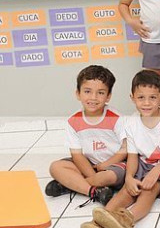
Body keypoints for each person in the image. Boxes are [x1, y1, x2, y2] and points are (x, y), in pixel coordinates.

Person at [80, 70, 160, 228]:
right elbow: (133, 156)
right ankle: (98, 224)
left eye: (152, 97)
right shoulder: (131, 123)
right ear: (132, 98)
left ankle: (127, 219)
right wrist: (128, 177)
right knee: (127, 190)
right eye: (141, 97)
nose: (146, 103)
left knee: (147, 192)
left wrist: (156, 172)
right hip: (141, 164)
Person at [46, 65, 125, 206]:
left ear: (108, 96)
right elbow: (77, 156)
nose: (93, 98)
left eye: (100, 93)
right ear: (78, 93)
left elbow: (126, 149)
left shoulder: (117, 118)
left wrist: (106, 165)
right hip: (90, 164)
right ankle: (93, 191)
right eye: (87, 91)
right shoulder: (73, 121)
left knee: (107, 176)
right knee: (56, 167)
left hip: (114, 165)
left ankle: (70, 185)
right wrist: (93, 176)